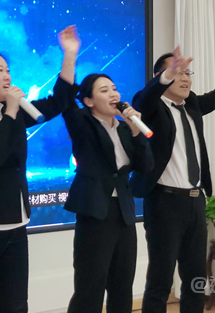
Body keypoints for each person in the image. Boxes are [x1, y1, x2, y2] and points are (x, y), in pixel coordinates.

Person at [0, 26, 80, 313]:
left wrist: (69, 55)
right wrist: (10, 110)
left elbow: (58, 102)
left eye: (8, 70)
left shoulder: (14, 113)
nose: (7, 76)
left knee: (16, 306)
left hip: (16, 228)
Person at [131, 47, 215, 313]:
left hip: (195, 201)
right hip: (164, 202)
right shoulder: (151, 107)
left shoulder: (191, 104)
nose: (185, 78)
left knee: (195, 278)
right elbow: (144, 99)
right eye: (178, 73)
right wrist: (164, 78)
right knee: (161, 278)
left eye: (187, 73)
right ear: (161, 76)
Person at [63, 73, 153, 313]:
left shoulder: (125, 129)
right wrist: (69, 61)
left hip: (123, 213)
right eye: (104, 90)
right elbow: (65, 101)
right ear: (89, 101)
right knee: (90, 287)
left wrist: (136, 131)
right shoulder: (83, 123)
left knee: (122, 285)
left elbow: (146, 166)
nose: (113, 94)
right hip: (94, 212)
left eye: (114, 88)